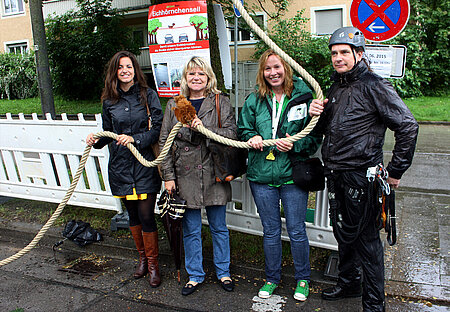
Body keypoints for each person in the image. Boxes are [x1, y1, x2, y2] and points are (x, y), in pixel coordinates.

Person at [309, 27, 419, 311]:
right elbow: (324, 130)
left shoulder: (375, 85)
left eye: (344, 52)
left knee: (368, 243)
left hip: (362, 176)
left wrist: (396, 171)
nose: (338, 58)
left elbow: (407, 126)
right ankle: (349, 284)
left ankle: (373, 304)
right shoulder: (335, 86)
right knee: (343, 233)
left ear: (359, 54)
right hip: (336, 174)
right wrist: (315, 114)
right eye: (334, 53)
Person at [237, 49, 322, 301]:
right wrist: (250, 137)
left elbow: (314, 137)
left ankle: (302, 279)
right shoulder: (254, 99)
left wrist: (295, 145)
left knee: (296, 230)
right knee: (271, 230)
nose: (273, 72)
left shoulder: (304, 97)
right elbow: (244, 128)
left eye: (277, 67)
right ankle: (272, 278)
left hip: (291, 175)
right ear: (262, 73)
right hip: (262, 175)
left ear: (286, 68)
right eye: (267, 68)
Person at [159, 56, 236, 296]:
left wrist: (205, 128)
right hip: (185, 175)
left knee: (219, 227)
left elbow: (232, 133)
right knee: (191, 229)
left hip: (214, 172)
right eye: (191, 73)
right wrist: (168, 177)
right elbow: (165, 142)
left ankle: (223, 272)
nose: (196, 78)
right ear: (185, 78)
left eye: (201, 73)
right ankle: (195, 275)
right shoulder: (174, 104)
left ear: (208, 78)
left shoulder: (220, 101)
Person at [86, 51, 163, 288]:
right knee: (132, 215)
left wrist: (135, 139)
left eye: (128, 66)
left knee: (147, 215)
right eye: (120, 67)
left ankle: (153, 265)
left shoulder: (148, 95)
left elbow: (157, 129)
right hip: (121, 167)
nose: (125, 71)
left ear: (135, 69)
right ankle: (141, 259)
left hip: (143, 164)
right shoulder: (109, 101)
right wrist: (95, 140)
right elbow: (108, 133)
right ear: (115, 72)